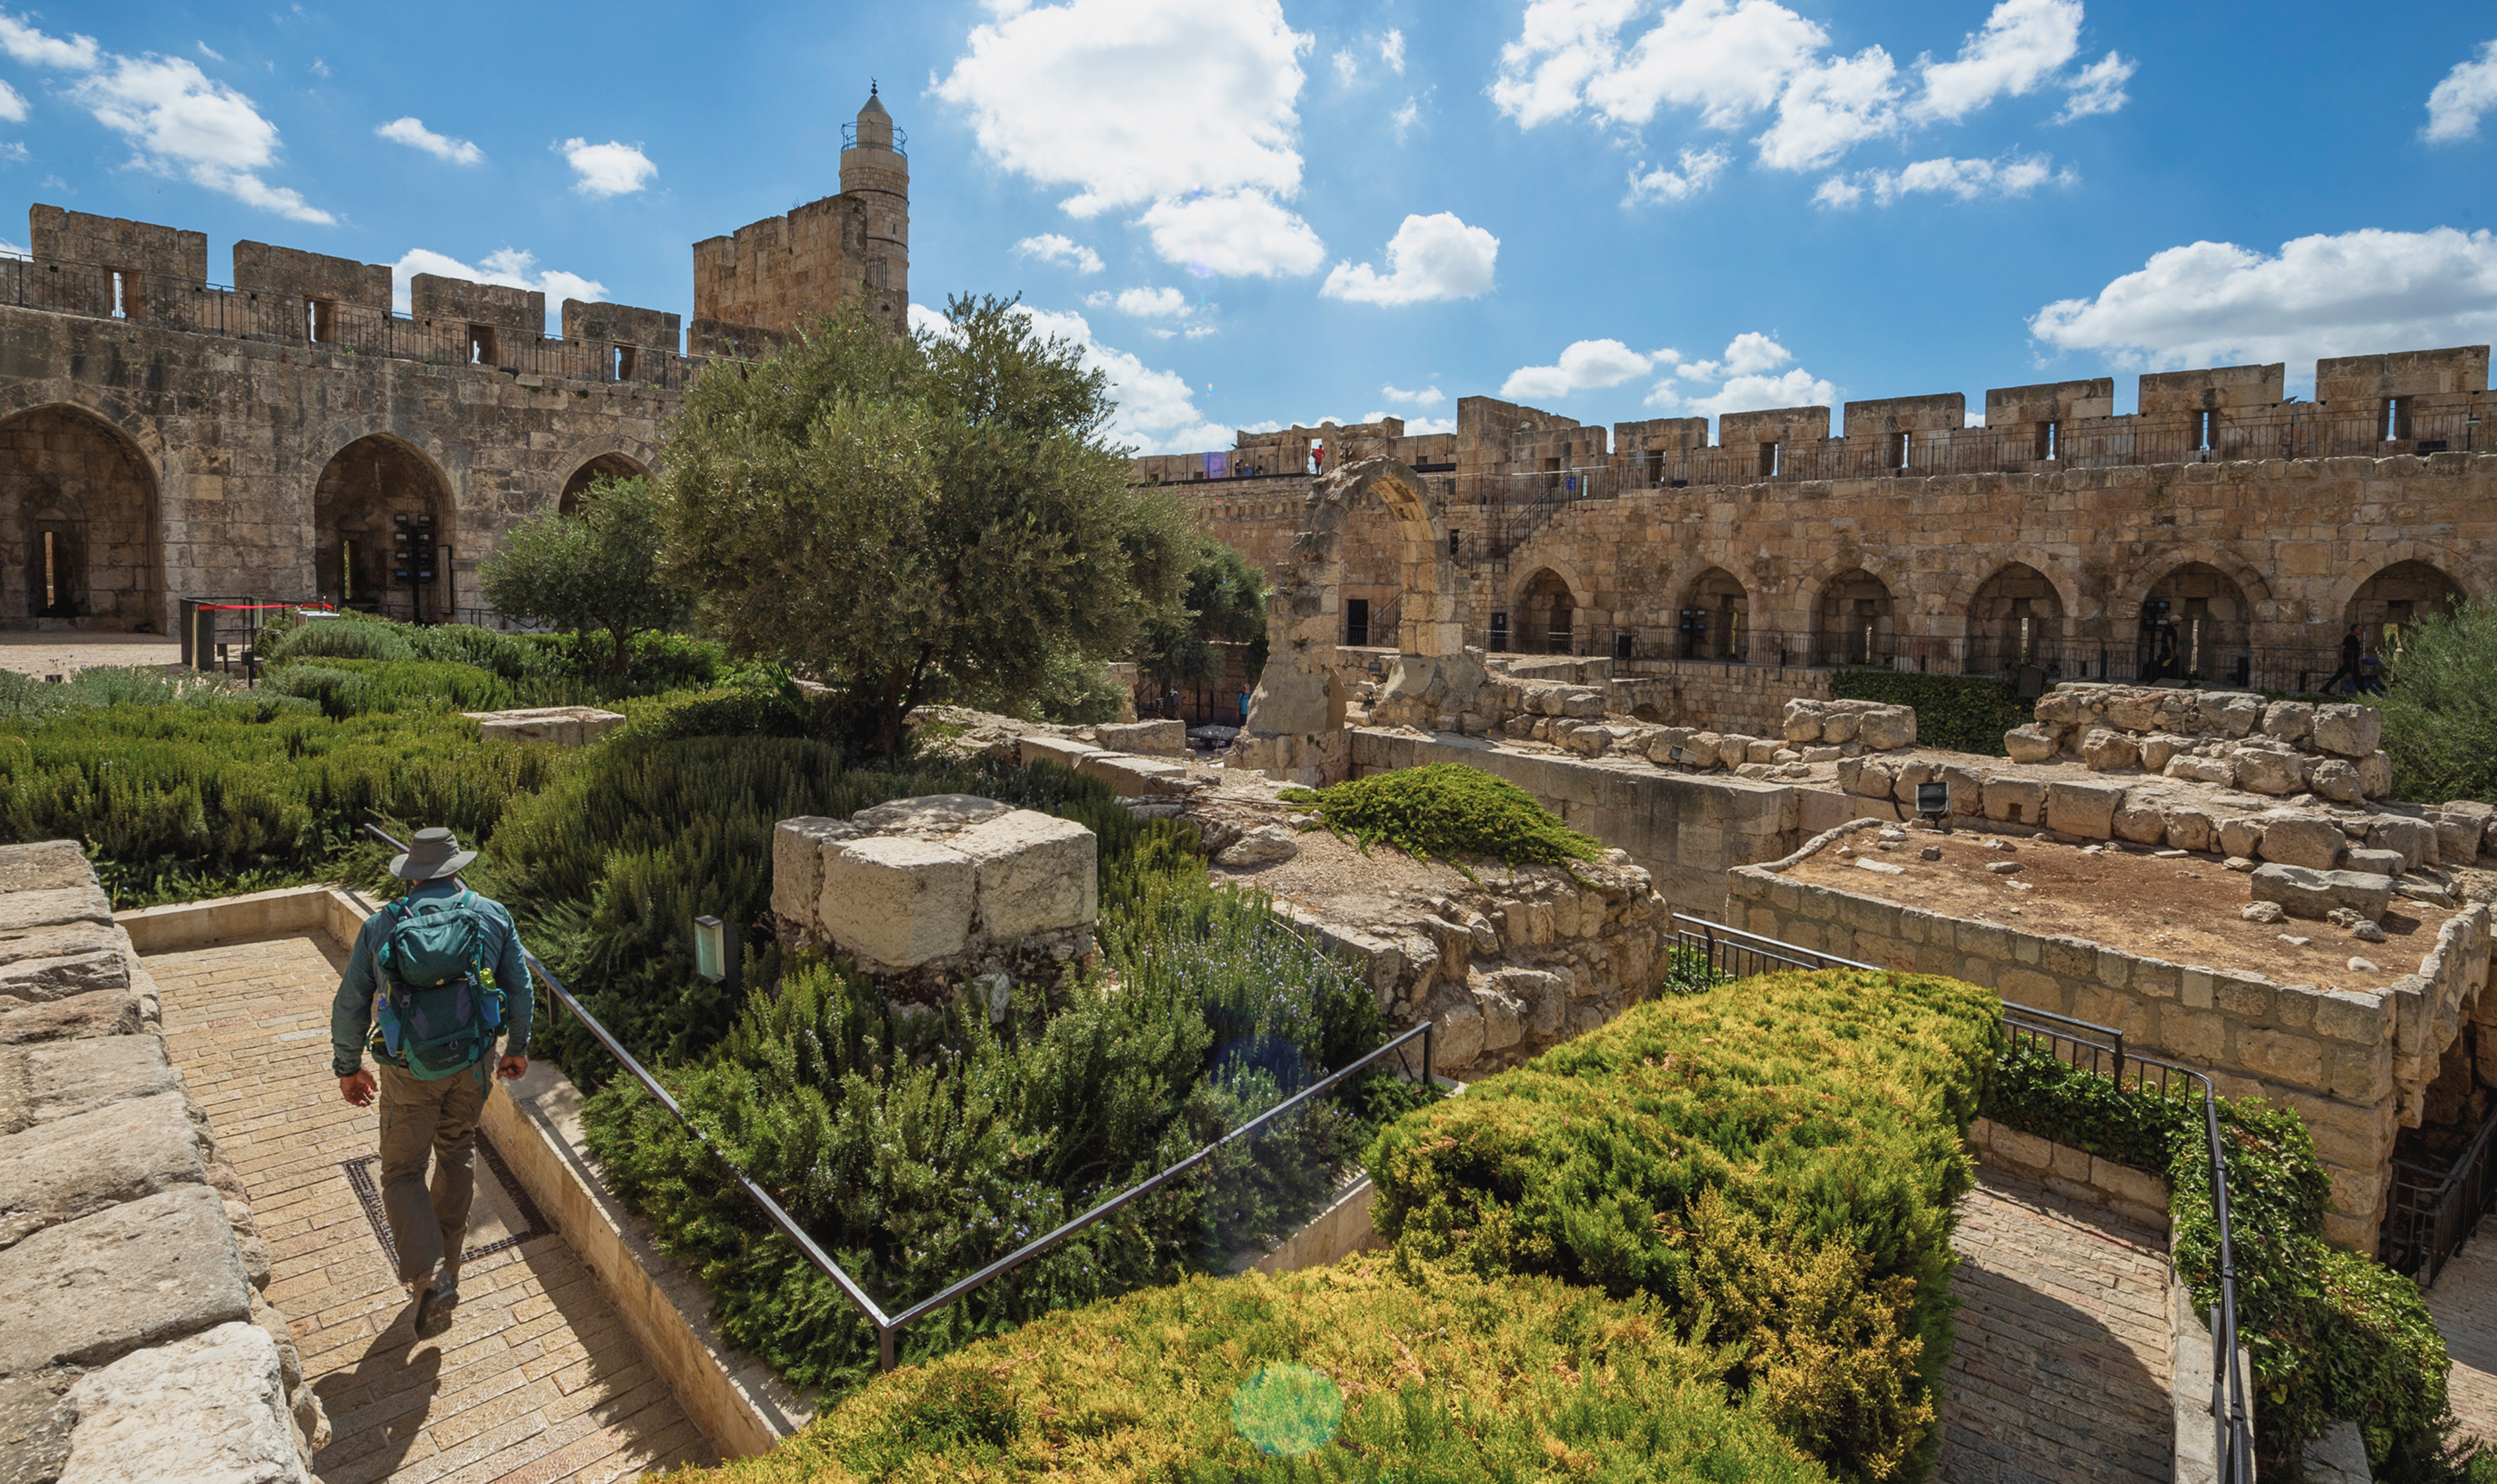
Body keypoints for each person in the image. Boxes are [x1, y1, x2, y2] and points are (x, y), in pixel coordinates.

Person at [332, 828, 533, 1330]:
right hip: (472, 1063)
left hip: (407, 1071)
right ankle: (451, 1271)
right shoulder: (490, 914)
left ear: (412, 877)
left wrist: (348, 1066)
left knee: (402, 1171)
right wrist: (519, 1049)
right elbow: (520, 988)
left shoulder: (383, 924)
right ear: (455, 869)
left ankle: (428, 1277)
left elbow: (351, 1002)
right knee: (457, 1151)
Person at [2321, 623, 2365, 694]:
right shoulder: (2349, 638)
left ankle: (2325, 688)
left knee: (2353, 677)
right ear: (2354, 629)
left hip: (2352, 662)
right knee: (2356, 677)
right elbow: (2342, 648)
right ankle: (2364, 693)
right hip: (2348, 662)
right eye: (2359, 629)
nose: (2361, 631)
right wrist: (2341, 659)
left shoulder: (2355, 639)